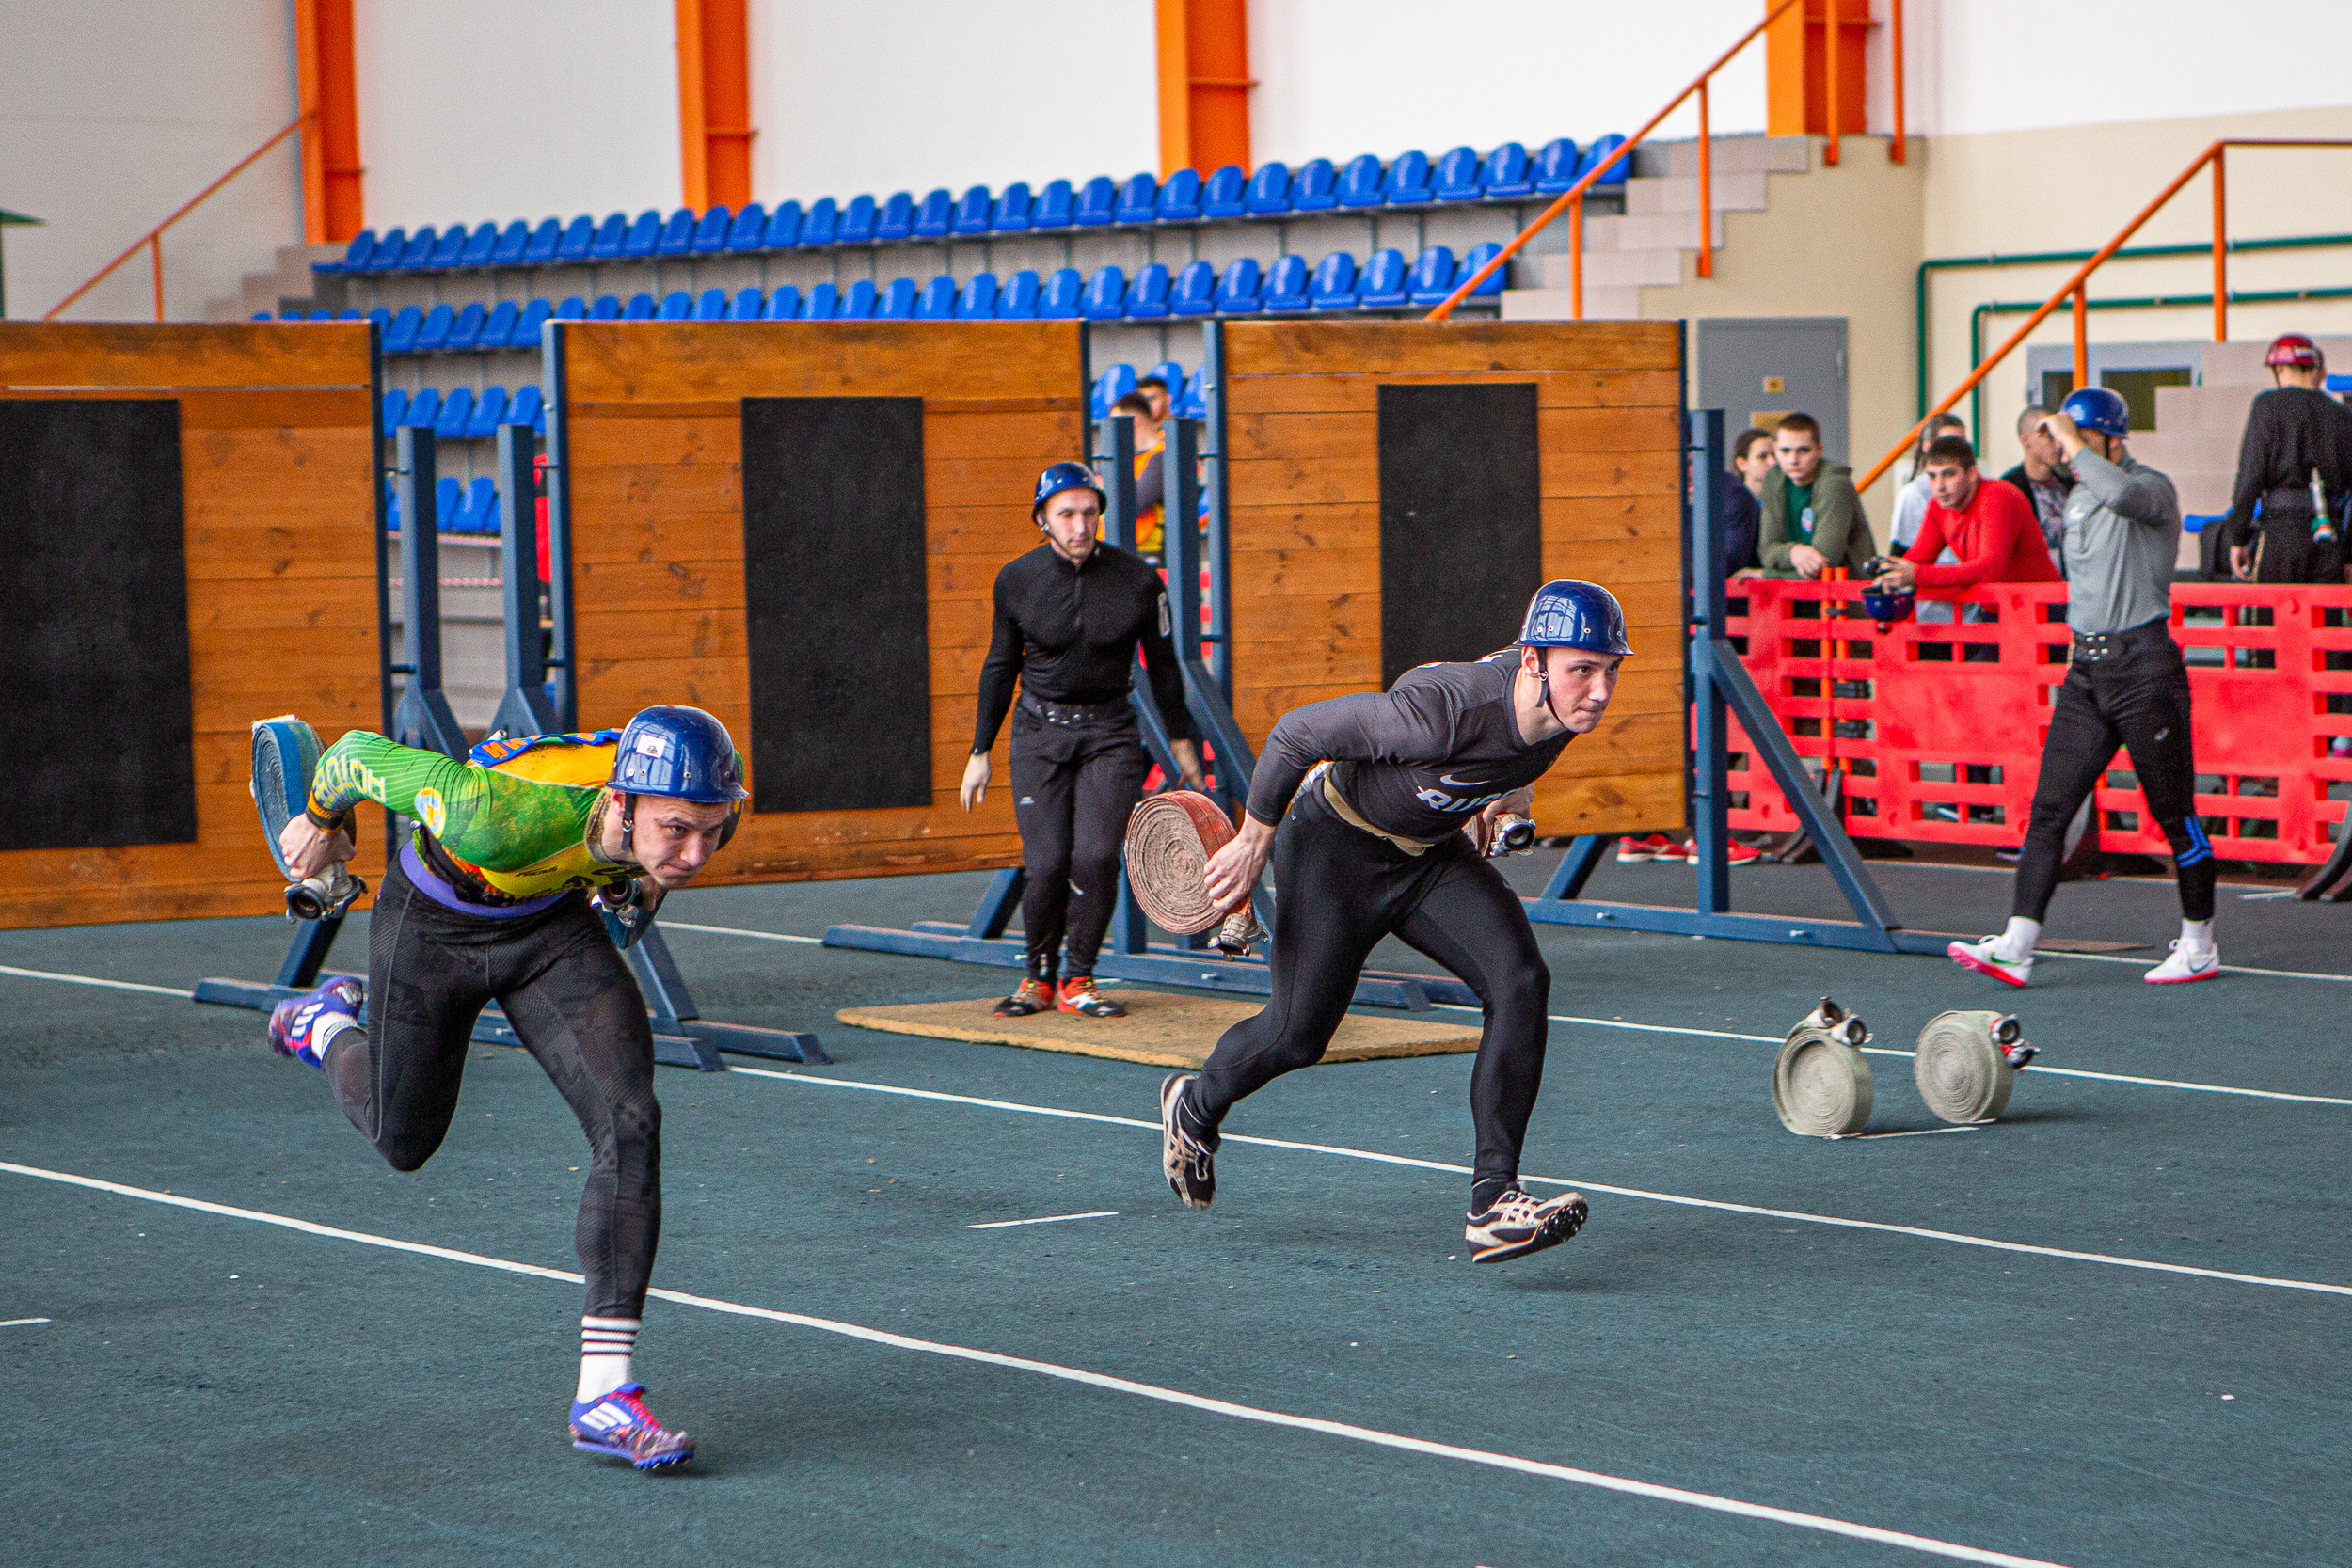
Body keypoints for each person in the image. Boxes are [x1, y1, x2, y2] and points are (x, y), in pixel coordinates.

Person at [263, 706, 753, 1471]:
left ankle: (605, 1394)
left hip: (547, 930)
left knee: (630, 1121)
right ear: (622, 802)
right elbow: (356, 752)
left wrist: (638, 885)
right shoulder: (497, 813)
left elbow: (637, 877)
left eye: (712, 831)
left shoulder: (676, 814)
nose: (696, 851)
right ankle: (325, 1026)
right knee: (403, 1142)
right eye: (677, 829)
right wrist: (321, 819)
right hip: (434, 922)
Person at [1158, 580, 1630, 1264]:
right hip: (1334, 850)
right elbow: (1296, 733)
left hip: (1426, 859)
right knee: (1297, 1034)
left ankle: (1493, 1200)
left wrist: (1504, 793)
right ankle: (1195, 1106)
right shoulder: (1438, 713)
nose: (1600, 689)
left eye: (1610, 669)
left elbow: (1502, 757)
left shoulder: (1558, 708)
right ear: (1533, 663)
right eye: (1582, 670)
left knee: (1521, 980)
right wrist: (1255, 837)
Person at [1948, 389, 2218, 988]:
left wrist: (2070, 441)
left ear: (2107, 438)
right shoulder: (2076, 501)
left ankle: (2199, 941)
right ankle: (2018, 942)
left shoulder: (2149, 487)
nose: (2063, 446)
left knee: (2174, 812)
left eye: (2077, 435)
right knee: (2049, 810)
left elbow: (2120, 493)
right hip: (2086, 671)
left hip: (2144, 667)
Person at [962, 462, 1206, 1018]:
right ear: (1043, 519)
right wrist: (980, 752)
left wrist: (1182, 741)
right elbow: (1000, 666)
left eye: (1088, 513)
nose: (1079, 525)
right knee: (1046, 862)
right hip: (1038, 732)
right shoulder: (1017, 579)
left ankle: (1080, 977)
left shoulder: (1139, 581)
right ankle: (1037, 978)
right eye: (1066, 514)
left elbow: (1164, 667)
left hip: (1111, 733)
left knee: (1096, 857)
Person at [2224, 333, 2352, 585]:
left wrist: (2237, 538)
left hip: (2280, 534)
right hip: (2330, 536)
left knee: (2275, 618)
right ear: (2314, 368)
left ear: (2279, 368)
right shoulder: (2341, 415)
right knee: (2323, 622)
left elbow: (2249, 478)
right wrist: (2349, 556)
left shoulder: (2267, 406)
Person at [1870, 434, 2059, 592]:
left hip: (2042, 608)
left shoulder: (1997, 495)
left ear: (1971, 474)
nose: (1939, 486)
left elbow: (1989, 569)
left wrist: (1916, 575)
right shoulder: (1938, 506)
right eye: (1932, 476)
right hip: (2001, 607)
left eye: (1949, 474)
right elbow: (1917, 560)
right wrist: (1889, 573)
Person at [1757, 413, 1875, 578]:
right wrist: (1793, 552)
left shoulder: (1835, 483)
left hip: (1843, 598)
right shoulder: (1774, 479)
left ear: (1820, 450)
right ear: (1775, 450)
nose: (1793, 460)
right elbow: (1767, 552)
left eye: (1803, 451)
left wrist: (1766, 575)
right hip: (1797, 599)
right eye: (1785, 451)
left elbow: (1822, 564)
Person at [1999, 405, 2076, 575]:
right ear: (2026, 440)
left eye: (2059, 437)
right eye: (2049, 436)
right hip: (2032, 591)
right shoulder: (2007, 490)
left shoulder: (2071, 487)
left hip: (2071, 588)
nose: (2057, 445)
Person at [1888, 413, 1968, 558]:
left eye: (1961, 444)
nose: (1958, 452)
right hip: (1934, 573)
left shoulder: (1973, 489)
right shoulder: (1913, 494)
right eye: (1948, 444)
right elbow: (1902, 553)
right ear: (1928, 448)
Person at [1110, 390, 1168, 560]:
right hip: (1124, 548)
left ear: (1133, 420)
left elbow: (1131, 504)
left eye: (1115, 424)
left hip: (1150, 552)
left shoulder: (1162, 455)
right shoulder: (1127, 457)